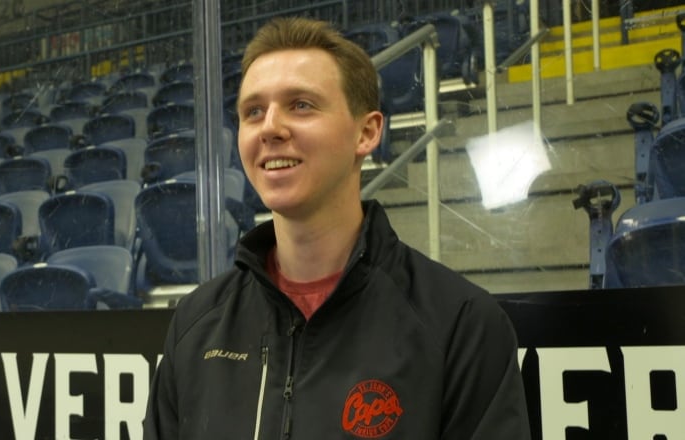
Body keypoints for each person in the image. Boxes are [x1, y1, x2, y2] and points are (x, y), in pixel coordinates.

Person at [144, 16, 531, 439]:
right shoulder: (196, 324)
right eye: (253, 111)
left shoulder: (461, 326)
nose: (270, 127)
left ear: (366, 133)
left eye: (301, 105)